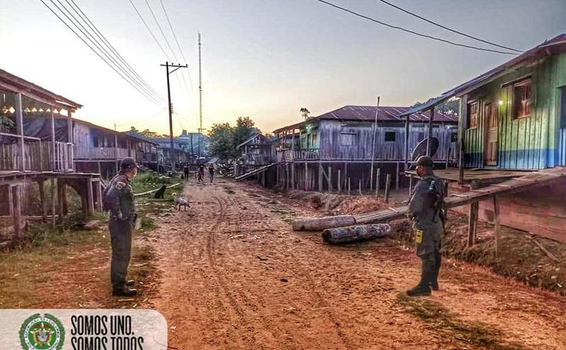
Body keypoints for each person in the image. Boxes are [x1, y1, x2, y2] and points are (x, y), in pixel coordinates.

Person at [406, 155, 445, 297]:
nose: (416, 169)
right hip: (436, 222)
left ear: (421, 168)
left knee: (425, 253)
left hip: (425, 223)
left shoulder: (423, 184)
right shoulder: (438, 181)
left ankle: (423, 286)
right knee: (435, 251)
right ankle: (433, 281)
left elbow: (414, 206)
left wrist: (410, 215)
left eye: (417, 166)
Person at [105, 157, 139, 296]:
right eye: (135, 168)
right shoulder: (121, 181)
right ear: (130, 168)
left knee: (123, 253)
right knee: (121, 254)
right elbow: (111, 196)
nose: (136, 171)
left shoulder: (120, 179)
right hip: (120, 224)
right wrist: (119, 214)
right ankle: (119, 287)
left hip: (122, 223)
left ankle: (120, 279)